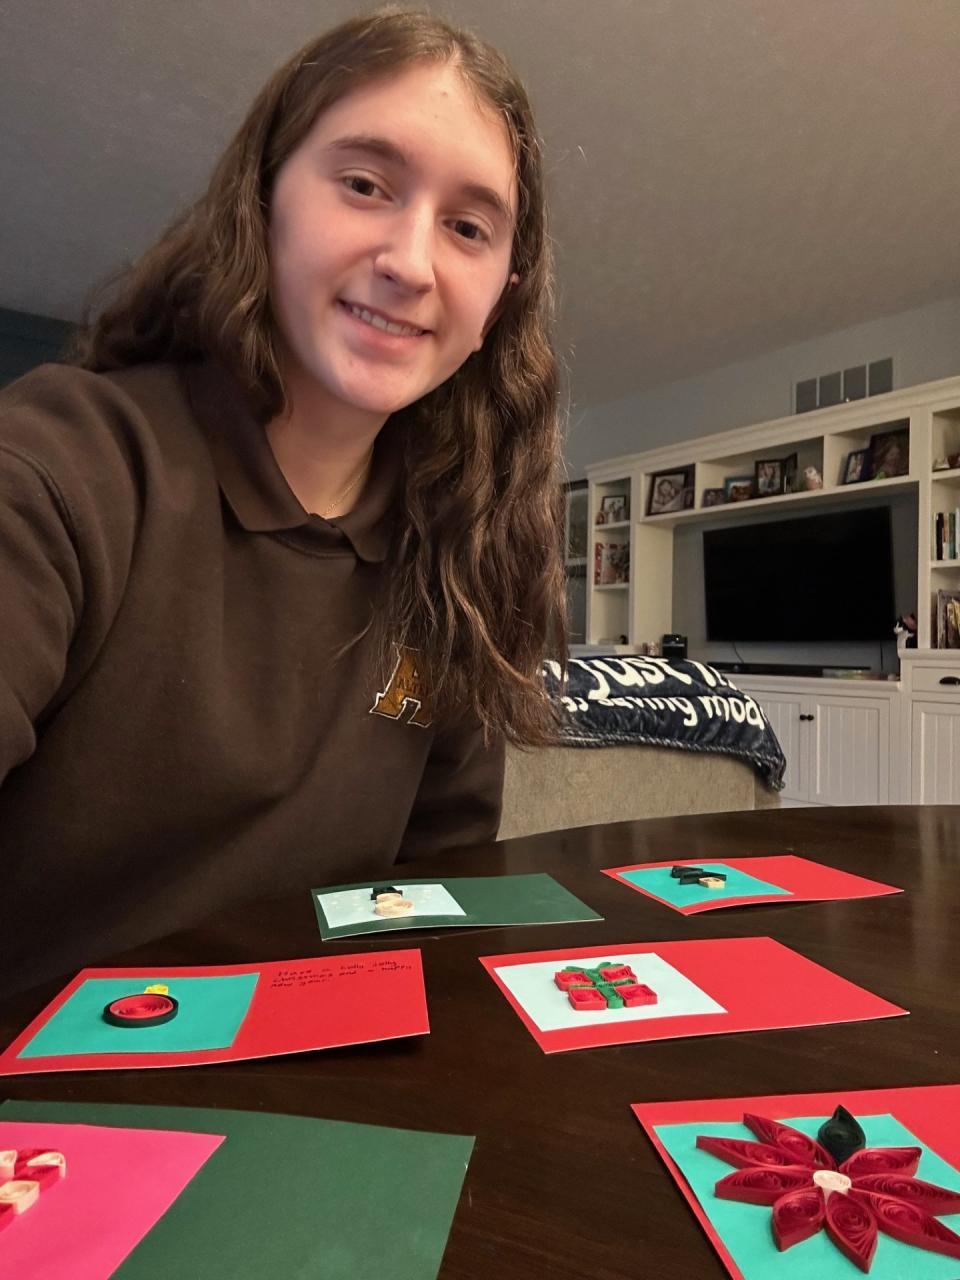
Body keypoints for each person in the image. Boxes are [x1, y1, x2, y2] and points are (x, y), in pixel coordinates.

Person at [0, 8, 567, 994]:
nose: (411, 262)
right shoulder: (61, 464)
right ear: (261, 201)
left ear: (499, 301)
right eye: (365, 184)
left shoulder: (459, 555)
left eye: (467, 228)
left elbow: (439, 894)